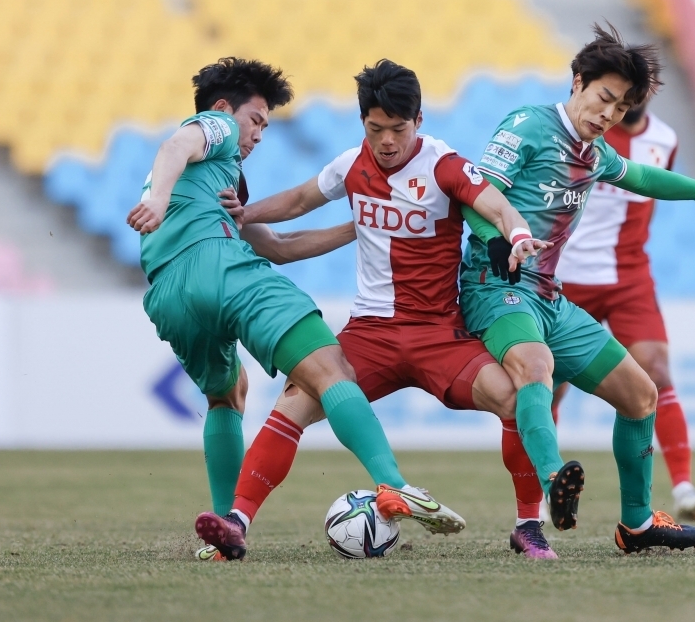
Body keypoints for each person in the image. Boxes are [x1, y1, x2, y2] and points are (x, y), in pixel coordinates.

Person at [194, 59, 560, 561]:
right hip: (371, 334)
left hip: (438, 333)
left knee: (515, 401)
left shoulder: (443, 164)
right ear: (363, 123)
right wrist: (245, 212)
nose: (387, 141)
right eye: (375, 128)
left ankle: (527, 526)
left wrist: (518, 235)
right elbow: (301, 199)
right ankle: (235, 523)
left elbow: (495, 205)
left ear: (419, 121)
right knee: (294, 401)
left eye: (398, 129)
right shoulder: (351, 165)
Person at [126, 57, 463, 561]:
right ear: (224, 109)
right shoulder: (213, 126)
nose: (260, 134)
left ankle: (227, 528)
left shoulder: (221, 185)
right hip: (219, 267)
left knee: (227, 395)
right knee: (330, 368)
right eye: (257, 120)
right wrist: (157, 196)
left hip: (168, 295)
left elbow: (279, 246)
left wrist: (367, 225)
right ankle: (392, 485)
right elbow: (177, 145)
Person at [459, 23, 695, 553]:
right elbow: (477, 191)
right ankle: (557, 480)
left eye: (621, 107)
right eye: (603, 98)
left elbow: (647, 179)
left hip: (549, 297)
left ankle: (637, 524)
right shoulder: (528, 125)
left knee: (640, 393)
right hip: (496, 285)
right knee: (536, 369)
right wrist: (494, 238)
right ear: (578, 82)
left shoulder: (596, 153)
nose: (608, 115)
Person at [554, 100, 695, 521]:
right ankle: (541, 495)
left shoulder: (665, 138)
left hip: (629, 277)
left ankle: (683, 486)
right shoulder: (587, 130)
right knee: (547, 383)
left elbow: (655, 187)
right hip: (567, 275)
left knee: (657, 374)